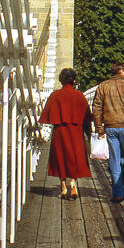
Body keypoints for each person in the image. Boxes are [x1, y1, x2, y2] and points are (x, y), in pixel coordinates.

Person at [92, 61, 124, 201]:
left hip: (110, 127)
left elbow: (96, 108)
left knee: (114, 158)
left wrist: (99, 128)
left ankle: (117, 192)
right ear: (121, 71)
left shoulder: (103, 86)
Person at [39, 68, 93, 200]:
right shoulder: (79, 95)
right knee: (74, 157)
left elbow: (46, 116)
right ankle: (73, 184)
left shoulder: (55, 95)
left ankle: (63, 187)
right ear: (74, 81)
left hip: (60, 132)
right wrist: (89, 133)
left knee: (60, 158)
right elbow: (87, 116)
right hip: (76, 132)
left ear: (61, 80)